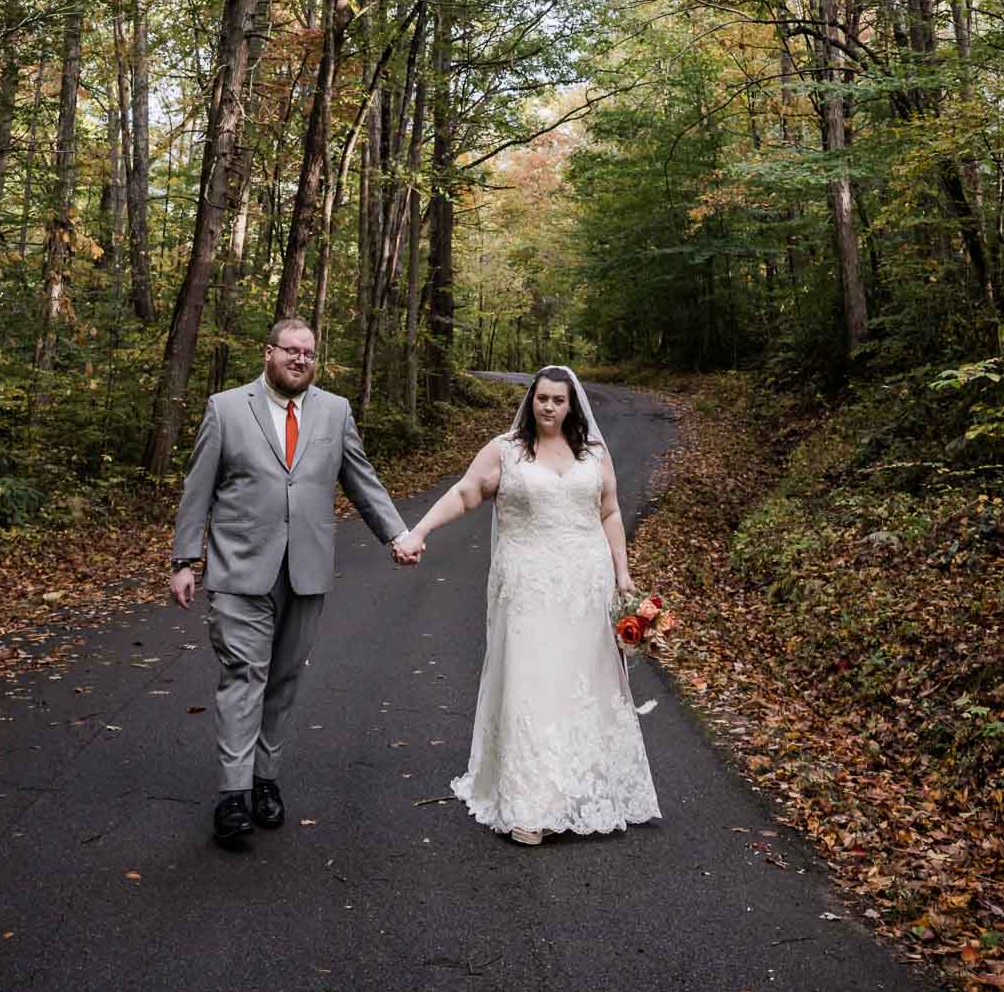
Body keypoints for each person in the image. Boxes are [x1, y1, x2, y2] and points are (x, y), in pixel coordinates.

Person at [170, 314, 416, 850]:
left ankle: (265, 780)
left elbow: (361, 479)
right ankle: (233, 795)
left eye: (308, 353)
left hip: (305, 571)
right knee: (243, 675)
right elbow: (198, 487)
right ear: (268, 353)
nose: (300, 360)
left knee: (283, 680)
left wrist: (396, 534)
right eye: (291, 351)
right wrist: (185, 558)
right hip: (239, 568)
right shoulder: (227, 408)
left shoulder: (335, 411)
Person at [392, 366, 660, 845]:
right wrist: (419, 531)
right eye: (542, 399)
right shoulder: (506, 450)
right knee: (531, 682)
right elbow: (466, 492)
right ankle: (528, 803)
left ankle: (588, 788)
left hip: (586, 581)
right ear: (531, 401)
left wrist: (623, 575)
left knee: (583, 681)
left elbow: (610, 510)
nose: (549, 407)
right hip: (527, 582)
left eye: (558, 400)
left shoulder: (594, 452)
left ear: (571, 404)